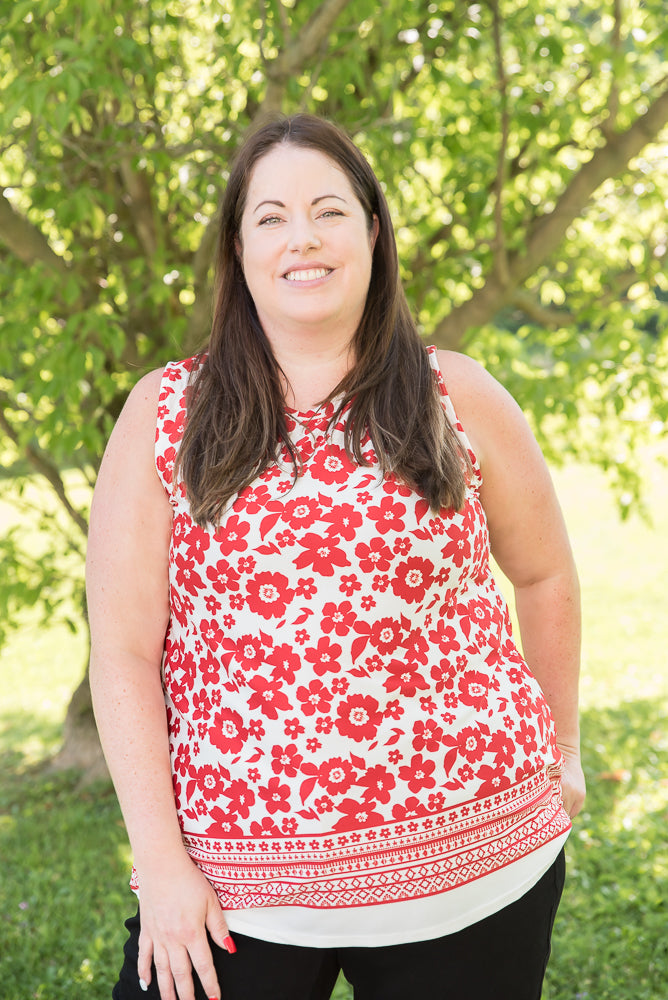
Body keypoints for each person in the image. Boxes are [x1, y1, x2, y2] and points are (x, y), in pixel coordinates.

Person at [87, 113, 585, 1000]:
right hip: (238, 895)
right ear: (238, 252)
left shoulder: (456, 393)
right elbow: (123, 649)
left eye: (329, 211)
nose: (302, 238)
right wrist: (160, 866)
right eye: (270, 218)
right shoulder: (166, 414)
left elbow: (545, 575)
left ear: (372, 232)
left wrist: (567, 750)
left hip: (479, 872)